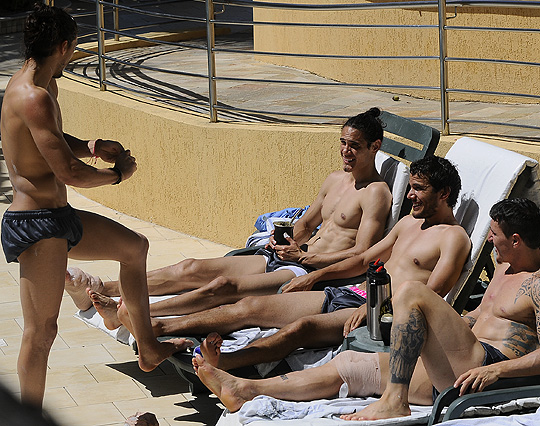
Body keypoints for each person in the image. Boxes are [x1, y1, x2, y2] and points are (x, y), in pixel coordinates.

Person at [190, 198, 540, 421]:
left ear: (516, 240)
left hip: (486, 371)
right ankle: (244, 389)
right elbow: (479, 317)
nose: (488, 240)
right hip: (458, 366)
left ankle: (394, 401)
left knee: (410, 292)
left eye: (495, 235)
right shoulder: (505, 268)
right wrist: (443, 327)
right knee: (350, 365)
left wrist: (497, 370)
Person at [91, 156, 471, 375]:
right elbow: (361, 259)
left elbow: (428, 294)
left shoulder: (455, 239)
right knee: (248, 308)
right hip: (351, 292)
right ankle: (156, 329)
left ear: (444, 194)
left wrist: (373, 306)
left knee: (299, 329)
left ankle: (223, 364)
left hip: (380, 312)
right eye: (412, 187)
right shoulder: (409, 224)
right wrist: (315, 275)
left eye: (420, 189)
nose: (412, 195)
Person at [0, 4, 191, 408]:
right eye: (74, 48)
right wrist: (117, 174)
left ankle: (148, 348)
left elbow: (50, 139)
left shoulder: (40, 85)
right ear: (64, 46)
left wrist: (90, 146)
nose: (73, 55)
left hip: (57, 217)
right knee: (41, 333)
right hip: (36, 225)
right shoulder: (32, 95)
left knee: (134, 247)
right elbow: (69, 172)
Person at [66, 107, 393, 314]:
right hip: (288, 256)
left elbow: (362, 255)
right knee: (190, 268)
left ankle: (133, 313)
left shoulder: (376, 193)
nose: (345, 151)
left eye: (354, 146)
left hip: (307, 272)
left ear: (375, 147)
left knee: (221, 288)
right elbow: (306, 225)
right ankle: (102, 288)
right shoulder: (335, 179)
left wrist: (305, 258)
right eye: (342, 142)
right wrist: (282, 240)